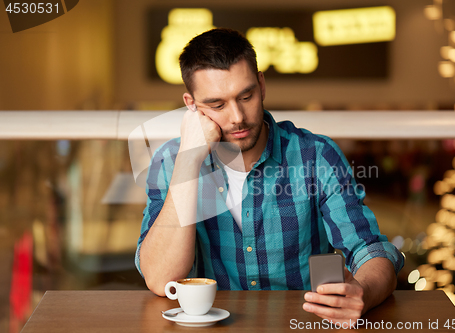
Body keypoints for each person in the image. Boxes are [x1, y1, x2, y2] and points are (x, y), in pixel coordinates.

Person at [135, 28, 404, 325]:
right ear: (191, 105)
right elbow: (161, 279)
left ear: (262, 85)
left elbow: (370, 249)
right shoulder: (172, 161)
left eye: (245, 96)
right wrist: (189, 162)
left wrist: (363, 292)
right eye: (217, 104)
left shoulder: (316, 155)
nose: (237, 116)